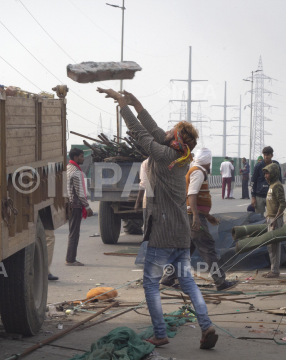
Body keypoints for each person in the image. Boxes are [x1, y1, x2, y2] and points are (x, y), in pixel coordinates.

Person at [97, 87, 218, 349]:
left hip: (162, 232)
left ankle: (160, 333)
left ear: (177, 138)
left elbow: (142, 135)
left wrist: (123, 107)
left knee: (151, 284)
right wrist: (134, 102)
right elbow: (153, 130)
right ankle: (207, 326)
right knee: (186, 281)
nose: (167, 133)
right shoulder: (181, 155)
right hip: (181, 234)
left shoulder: (164, 156)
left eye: (172, 131)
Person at [162, 148, 237, 291]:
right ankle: (220, 281)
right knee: (208, 247)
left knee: (184, 251)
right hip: (193, 217)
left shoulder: (196, 170)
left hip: (192, 216)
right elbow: (192, 194)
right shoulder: (198, 172)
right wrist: (197, 216)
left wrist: (207, 216)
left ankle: (167, 279)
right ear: (208, 161)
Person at [66, 148, 93, 266]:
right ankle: (70, 259)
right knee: (74, 233)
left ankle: (70, 258)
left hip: (69, 204)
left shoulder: (68, 168)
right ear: (76, 157)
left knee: (72, 232)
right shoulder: (76, 171)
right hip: (75, 205)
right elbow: (80, 192)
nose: (83, 159)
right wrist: (87, 207)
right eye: (82, 156)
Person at [262, 163, 286, 278]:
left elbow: (283, 203)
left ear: (274, 173)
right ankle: (273, 269)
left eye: (268, 173)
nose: (266, 175)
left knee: (275, 246)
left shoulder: (277, 186)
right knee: (270, 246)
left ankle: (275, 271)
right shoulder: (271, 185)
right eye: (265, 173)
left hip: (275, 220)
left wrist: (276, 218)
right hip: (271, 219)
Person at [251, 146, 282, 214]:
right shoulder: (258, 166)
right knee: (259, 218)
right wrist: (253, 197)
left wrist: (279, 196)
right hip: (259, 195)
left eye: (268, 155)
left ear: (272, 155)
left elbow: (279, 180)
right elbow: (253, 181)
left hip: (272, 196)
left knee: (272, 216)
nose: (266, 157)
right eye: (264, 155)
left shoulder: (276, 166)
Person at [135, 158, 150, 234]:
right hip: (167, 200)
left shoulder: (146, 163)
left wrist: (137, 202)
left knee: (148, 226)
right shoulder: (171, 160)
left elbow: (143, 184)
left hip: (149, 199)